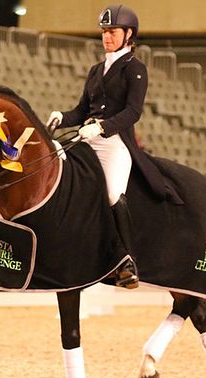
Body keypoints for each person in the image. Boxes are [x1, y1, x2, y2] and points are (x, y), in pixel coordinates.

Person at [46, 4, 148, 289]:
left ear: (128, 34)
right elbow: (81, 111)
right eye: (104, 31)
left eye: (112, 31)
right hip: (86, 138)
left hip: (115, 142)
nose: (106, 36)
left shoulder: (135, 69)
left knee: (113, 193)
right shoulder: (95, 70)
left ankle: (127, 261)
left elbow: (133, 112)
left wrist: (103, 126)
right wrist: (62, 117)